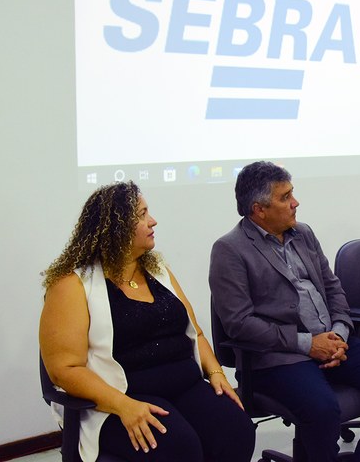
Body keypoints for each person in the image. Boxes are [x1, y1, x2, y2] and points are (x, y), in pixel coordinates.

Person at [208, 161, 360, 462]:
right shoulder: (230, 250)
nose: (295, 202)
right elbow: (239, 324)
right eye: (285, 197)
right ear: (259, 210)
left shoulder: (302, 233)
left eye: (293, 193)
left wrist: (340, 335)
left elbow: (333, 288)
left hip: (330, 339)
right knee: (323, 409)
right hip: (278, 356)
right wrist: (308, 344)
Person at [39, 182, 255, 462]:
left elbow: (196, 334)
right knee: (180, 449)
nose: (152, 221)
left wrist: (216, 373)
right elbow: (64, 370)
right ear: (115, 228)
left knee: (236, 431)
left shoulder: (158, 271)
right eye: (141, 215)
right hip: (119, 401)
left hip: (186, 387)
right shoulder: (72, 285)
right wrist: (124, 406)